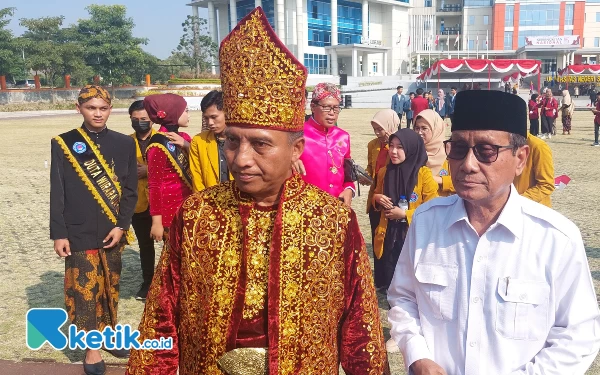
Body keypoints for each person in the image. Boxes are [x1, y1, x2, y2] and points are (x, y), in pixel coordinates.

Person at [126, 8, 388, 374]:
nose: (241, 159)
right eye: (232, 141)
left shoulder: (331, 221)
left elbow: (361, 332)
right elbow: (161, 319)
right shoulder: (197, 214)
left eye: (261, 145)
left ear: (295, 150)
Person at [387, 90, 600, 375]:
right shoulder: (426, 222)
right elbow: (403, 298)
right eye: (459, 149)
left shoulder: (555, 238)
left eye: (487, 151)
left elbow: (578, 335)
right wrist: (418, 356)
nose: (468, 164)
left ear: (520, 158)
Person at [50, 85, 137, 375]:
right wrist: (59, 233)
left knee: (111, 286)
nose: (97, 113)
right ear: (79, 109)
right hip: (78, 230)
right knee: (86, 289)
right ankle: (92, 348)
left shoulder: (125, 143)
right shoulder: (64, 143)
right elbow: (57, 191)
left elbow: (129, 192)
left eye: (103, 108)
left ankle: (110, 333)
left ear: (110, 109)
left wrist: (122, 226)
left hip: (112, 231)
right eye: (91, 108)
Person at [372, 129, 438, 293]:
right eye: (391, 146)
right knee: (390, 269)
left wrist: (405, 215)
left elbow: (434, 209)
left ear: (411, 149)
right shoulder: (384, 172)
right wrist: (378, 198)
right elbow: (374, 197)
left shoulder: (423, 174)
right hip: (389, 233)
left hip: (412, 234)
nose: (393, 151)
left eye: (400, 147)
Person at [144, 94, 193, 242]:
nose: (188, 114)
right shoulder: (157, 145)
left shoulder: (184, 137)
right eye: (185, 111)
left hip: (189, 205)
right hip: (170, 212)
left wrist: (187, 146)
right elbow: (154, 185)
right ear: (173, 113)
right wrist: (156, 222)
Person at [296, 82, 355, 206]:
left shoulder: (343, 137)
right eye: (326, 107)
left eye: (336, 108)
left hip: (337, 208)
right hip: (306, 208)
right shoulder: (297, 135)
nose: (332, 113)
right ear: (313, 107)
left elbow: (348, 177)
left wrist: (349, 189)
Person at [128, 100, 158, 301]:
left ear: (152, 120)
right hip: (138, 204)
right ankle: (148, 282)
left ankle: (166, 284)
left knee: (170, 245)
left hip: (162, 203)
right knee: (145, 246)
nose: (140, 123)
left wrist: (150, 171)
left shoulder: (164, 139)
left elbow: (177, 168)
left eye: (144, 119)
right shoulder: (125, 142)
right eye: (135, 119)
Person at [366, 109, 398, 250]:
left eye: (380, 129)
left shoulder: (400, 146)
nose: (377, 133)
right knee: (376, 239)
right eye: (375, 130)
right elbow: (370, 167)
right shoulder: (373, 145)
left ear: (390, 126)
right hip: (376, 198)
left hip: (392, 199)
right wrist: (365, 175)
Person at [189, 90, 231, 192]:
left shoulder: (242, 139)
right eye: (206, 118)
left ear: (227, 112)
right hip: (210, 201)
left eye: (214, 117)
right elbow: (197, 178)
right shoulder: (199, 141)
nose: (210, 123)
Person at [413, 109, 454, 197]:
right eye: (417, 128)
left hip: (445, 206)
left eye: (424, 128)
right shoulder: (412, 152)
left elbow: (461, 183)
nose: (419, 132)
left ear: (436, 129)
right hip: (418, 208)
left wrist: (439, 180)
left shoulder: (449, 152)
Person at [513, 132, 555, 207]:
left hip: (533, 209)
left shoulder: (538, 146)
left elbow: (546, 185)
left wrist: (518, 201)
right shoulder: (501, 143)